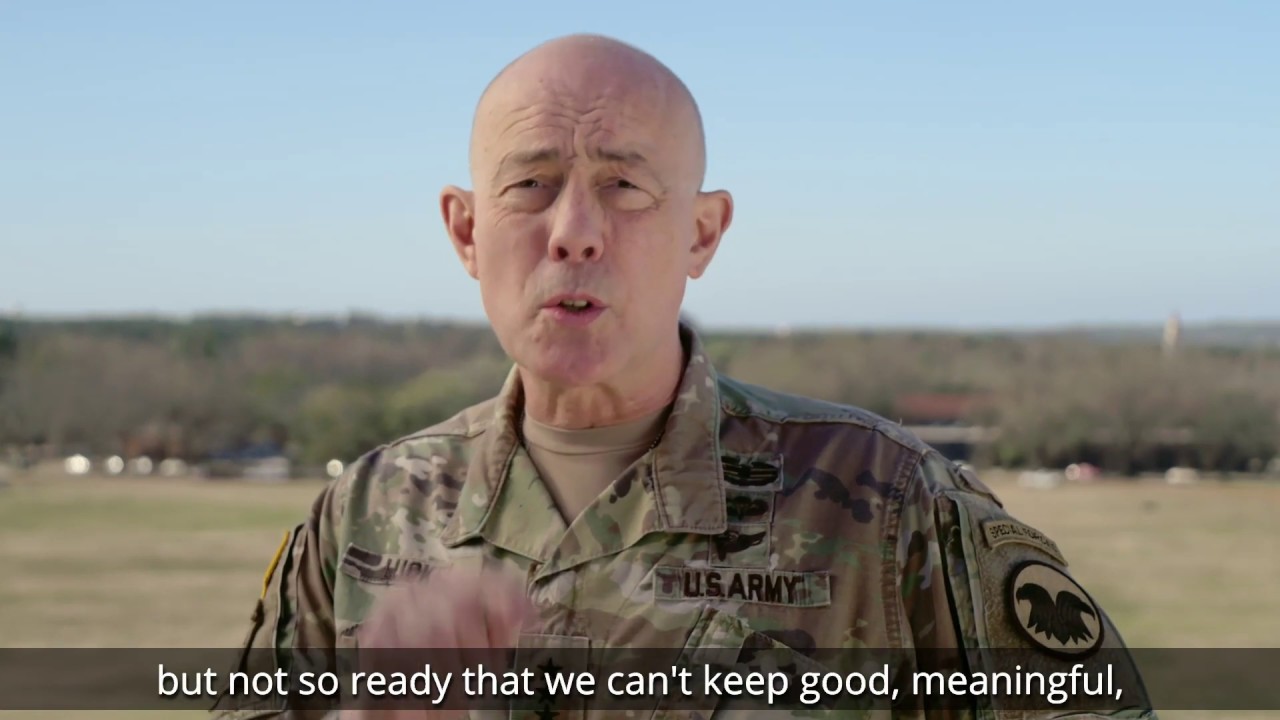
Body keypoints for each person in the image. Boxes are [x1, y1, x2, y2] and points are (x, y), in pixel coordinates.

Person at [213, 34, 1156, 719]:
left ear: (702, 234)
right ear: (466, 230)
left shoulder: (889, 503)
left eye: (624, 186)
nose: (574, 231)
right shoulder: (366, 513)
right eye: (530, 184)